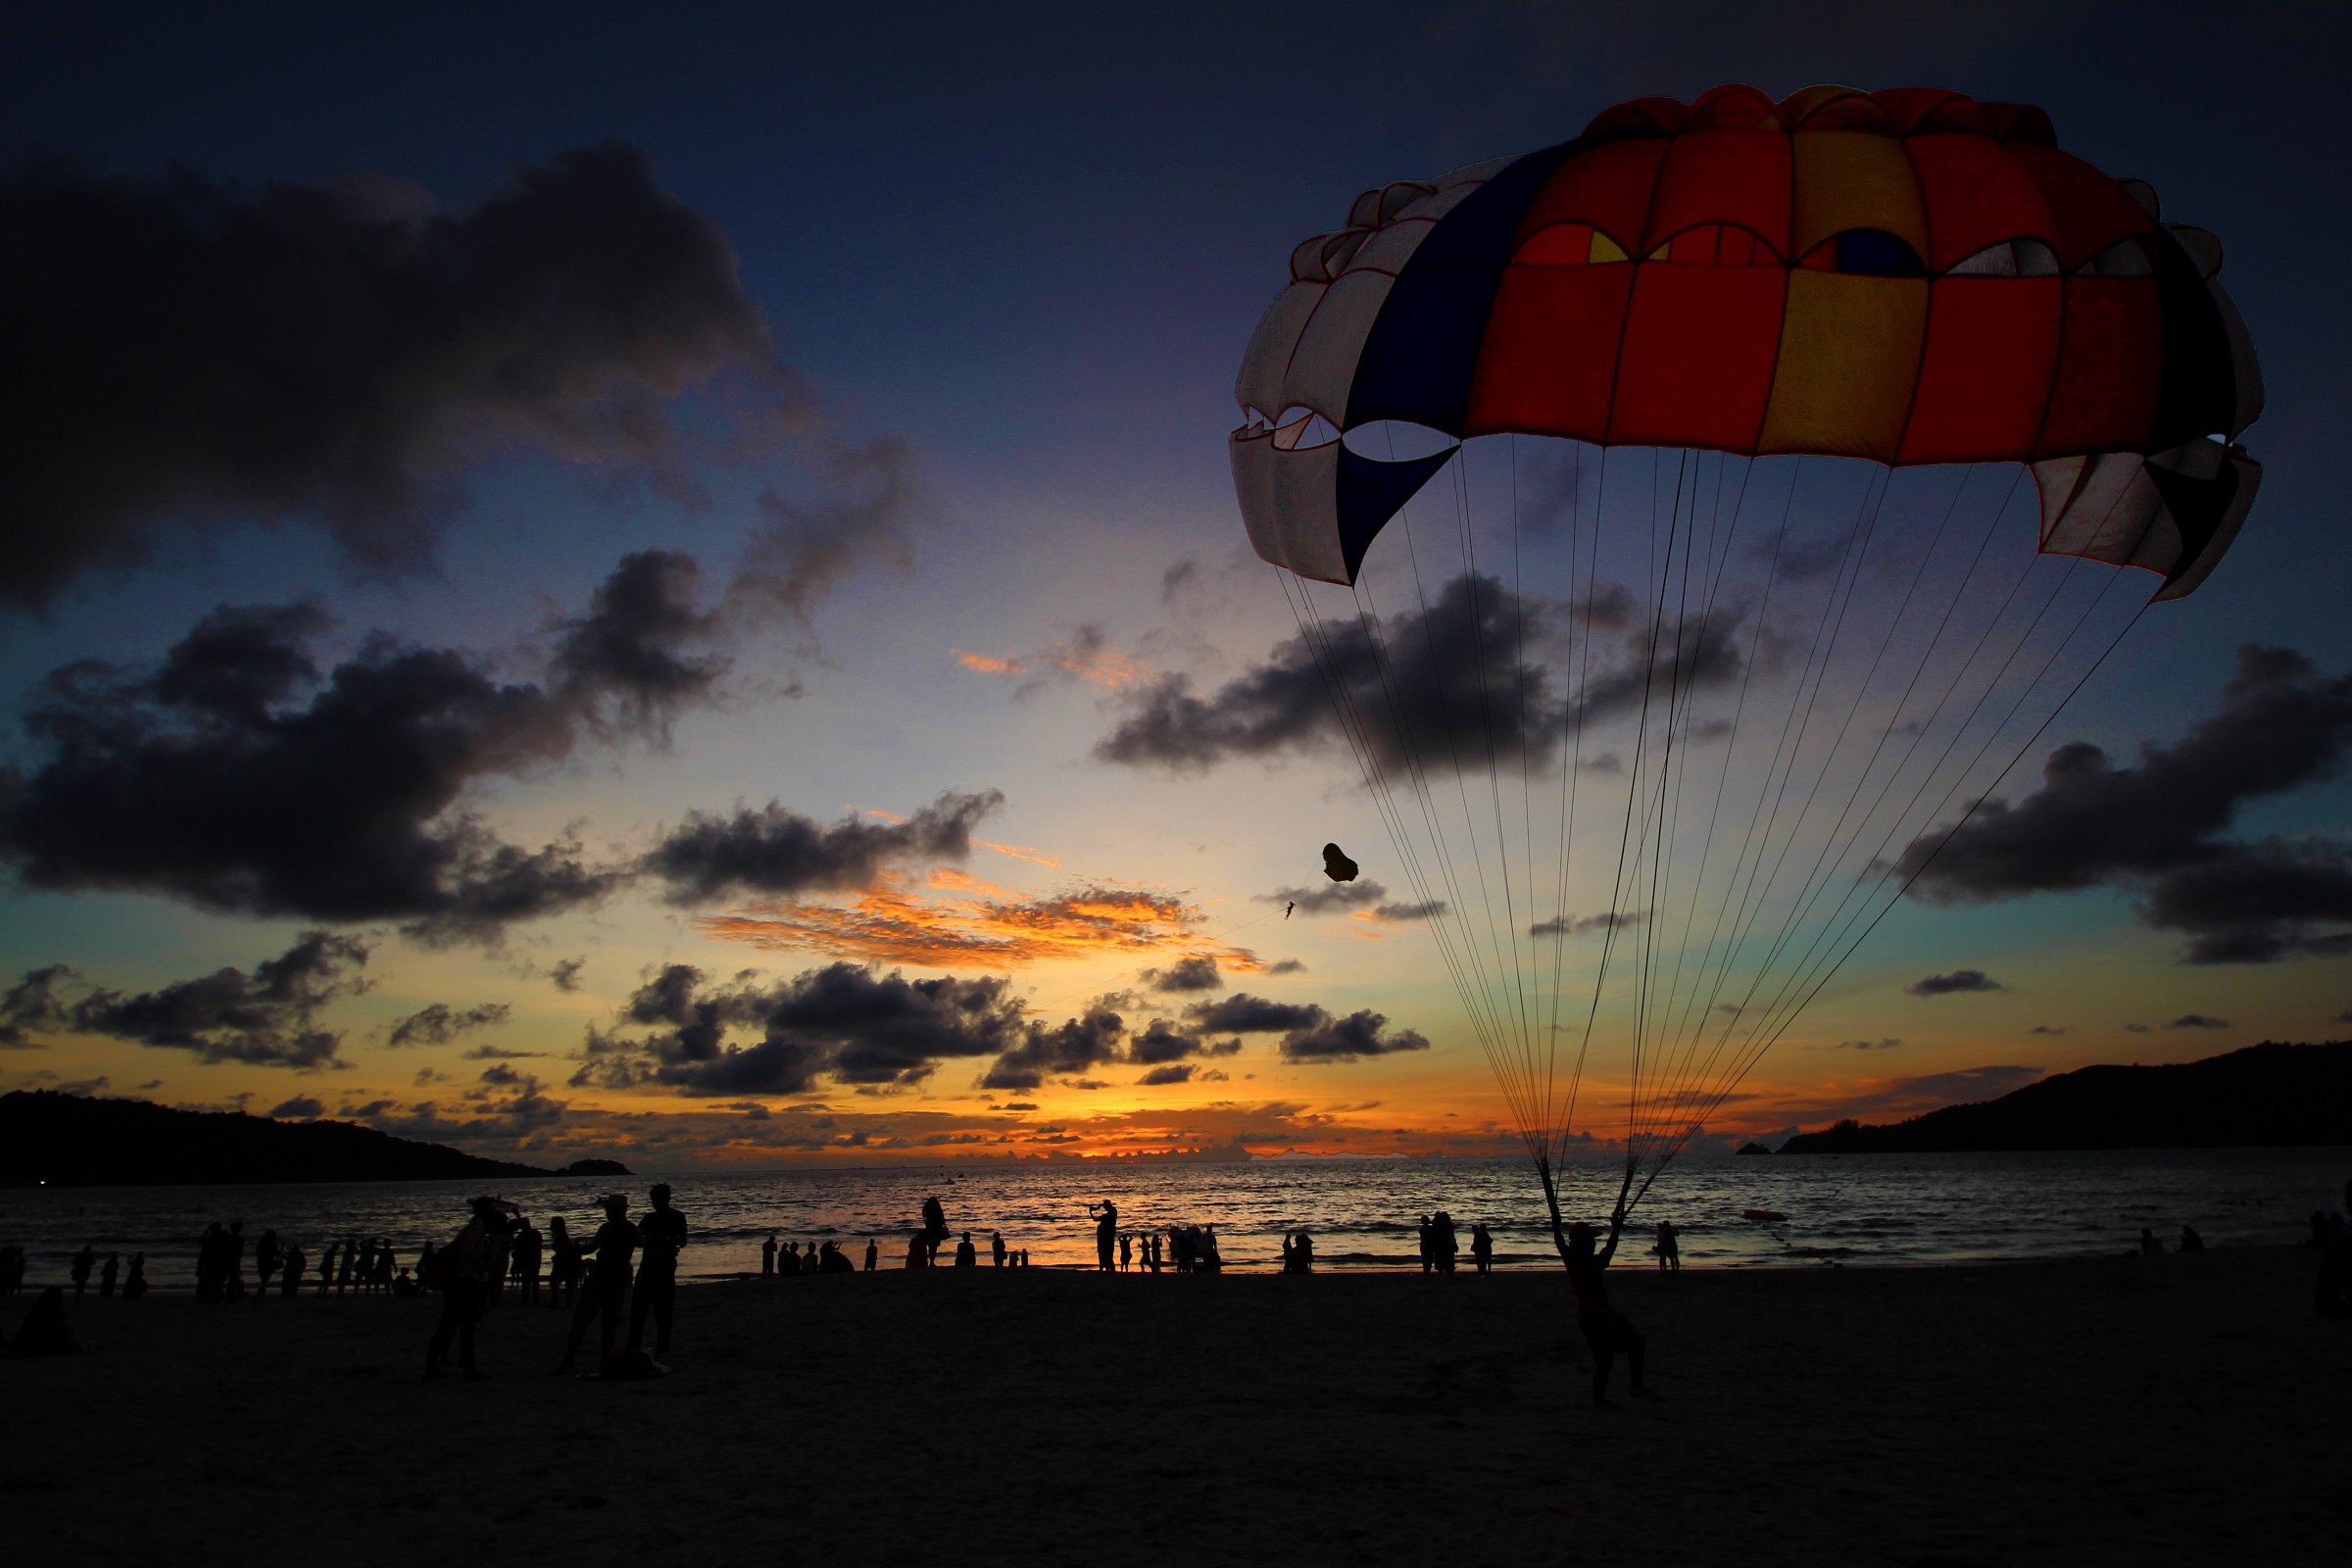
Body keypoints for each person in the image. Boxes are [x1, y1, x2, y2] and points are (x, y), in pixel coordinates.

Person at [1564, 1217, 1653, 1407]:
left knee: (1605, 1360)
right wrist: (1615, 1230)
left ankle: (1599, 1398)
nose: (1595, 1243)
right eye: (1592, 1239)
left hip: (1589, 1317)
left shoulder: (1585, 1262)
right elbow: (1606, 1251)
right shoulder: (1577, 1261)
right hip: (1598, 1315)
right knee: (1635, 1343)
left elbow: (1608, 1250)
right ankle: (1635, 1387)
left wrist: (1616, 1230)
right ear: (1584, 1242)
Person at [425, 1196, 514, 1382]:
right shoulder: (476, 1231)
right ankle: (462, 1367)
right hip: (463, 1283)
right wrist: (482, 1265)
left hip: (459, 1282)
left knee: (456, 1325)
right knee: (459, 1326)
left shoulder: (472, 1229)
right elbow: (466, 1255)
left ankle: (455, 1366)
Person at [559, 1196, 637, 1375]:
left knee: (581, 1320)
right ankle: (605, 1361)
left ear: (615, 1211)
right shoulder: (632, 1229)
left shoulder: (608, 1228)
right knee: (609, 1325)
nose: (607, 1213)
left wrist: (575, 1250)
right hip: (618, 1280)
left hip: (600, 1278)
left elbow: (592, 1248)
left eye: (609, 1209)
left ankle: (569, 1360)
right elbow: (641, 1243)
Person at [630, 1184, 687, 1358]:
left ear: (666, 1199)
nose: (654, 1203)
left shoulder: (677, 1217)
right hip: (648, 1267)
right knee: (639, 1311)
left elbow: (683, 1240)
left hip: (664, 1267)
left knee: (663, 1312)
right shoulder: (649, 1218)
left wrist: (665, 1239)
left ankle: (662, 1348)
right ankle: (633, 1347)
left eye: (657, 1199)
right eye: (653, 1200)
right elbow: (638, 1241)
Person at [546, 1217, 581, 1308]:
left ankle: (557, 1302)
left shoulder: (560, 1236)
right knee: (565, 1284)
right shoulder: (562, 1235)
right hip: (566, 1262)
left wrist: (556, 1257)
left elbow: (563, 1250)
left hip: (563, 1263)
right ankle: (566, 1304)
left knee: (554, 1282)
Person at [512, 1215, 544, 1303]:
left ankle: (526, 1299)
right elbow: (540, 1245)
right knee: (534, 1278)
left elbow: (516, 1247)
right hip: (536, 1258)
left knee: (526, 1279)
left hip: (526, 1259)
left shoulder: (521, 1236)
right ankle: (535, 1299)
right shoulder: (536, 1233)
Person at [1089, 1200, 1118, 1272]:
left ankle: (1109, 1270)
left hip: (1106, 1237)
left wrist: (1091, 1212)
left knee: (1106, 1255)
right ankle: (1109, 1270)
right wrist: (1099, 1206)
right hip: (1108, 1236)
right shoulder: (1113, 1211)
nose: (1105, 1208)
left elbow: (1095, 1219)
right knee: (1108, 1255)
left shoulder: (1107, 1216)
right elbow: (1109, 1207)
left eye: (1105, 1207)